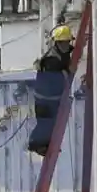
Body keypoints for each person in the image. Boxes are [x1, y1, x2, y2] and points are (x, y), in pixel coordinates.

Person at [29, 24, 76, 156]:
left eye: (67, 42)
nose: (66, 46)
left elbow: (66, 57)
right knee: (46, 124)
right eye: (63, 43)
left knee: (52, 124)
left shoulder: (60, 54)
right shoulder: (51, 60)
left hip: (51, 99)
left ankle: (47, 145)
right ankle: (36, 144)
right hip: (45, 99)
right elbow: (57, 77)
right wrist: (68, 72)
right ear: (57, 43)